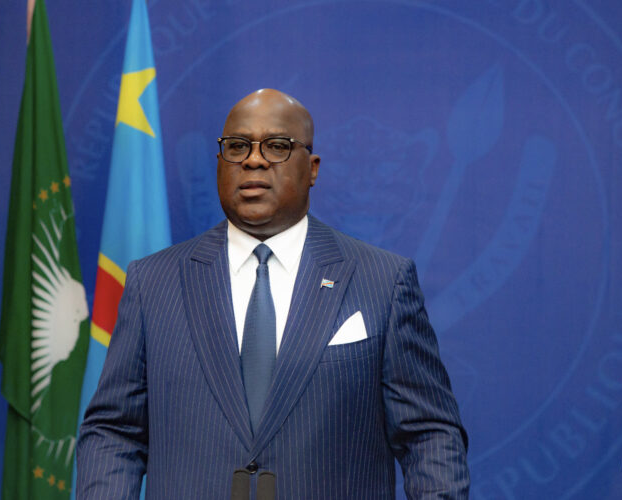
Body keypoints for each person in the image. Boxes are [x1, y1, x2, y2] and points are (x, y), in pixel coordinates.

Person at [76, 89, 469, 499]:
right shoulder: (153, 282)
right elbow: (115, 431)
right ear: (220, 162)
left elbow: (428, 434)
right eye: (237, 146)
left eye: (277, 146)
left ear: (312, 168)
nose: (253, 160)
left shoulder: (383, 282)